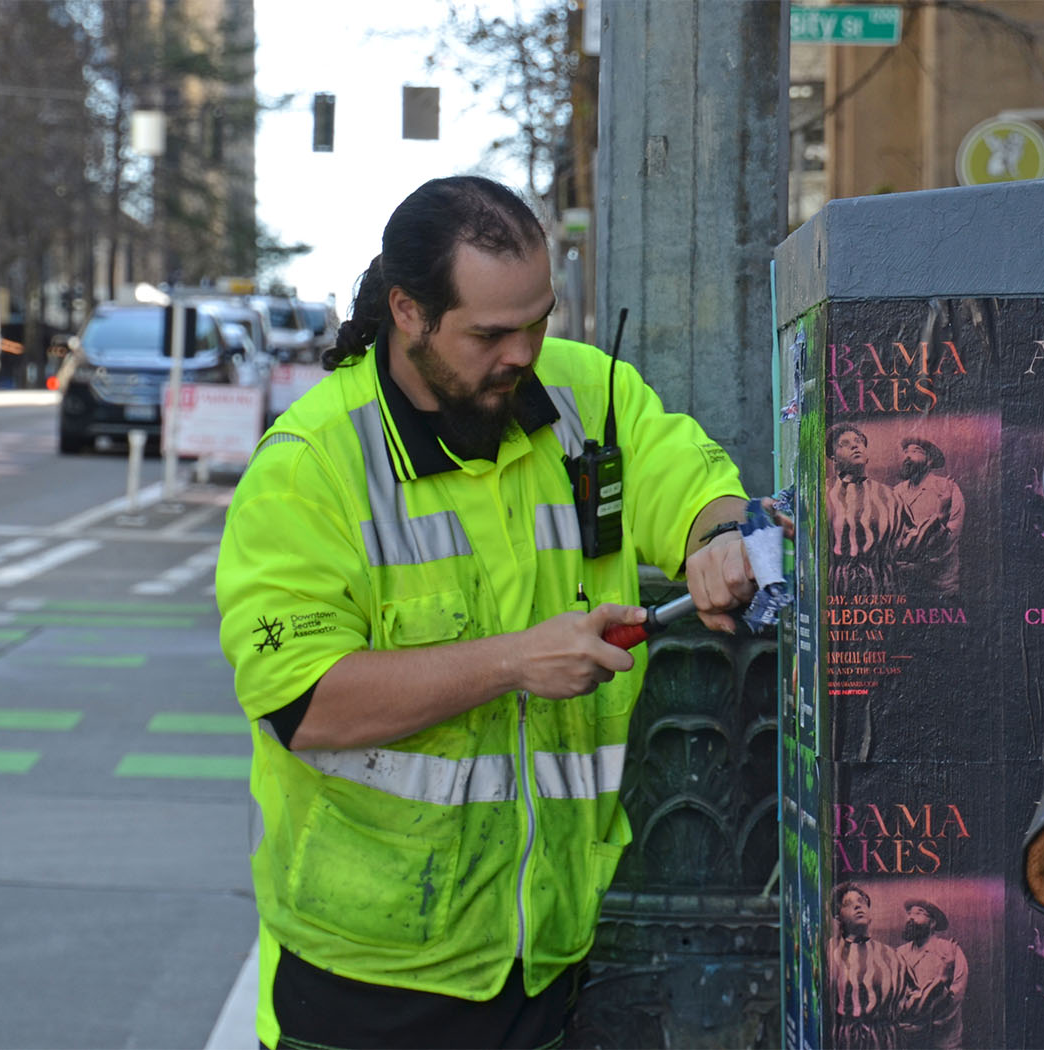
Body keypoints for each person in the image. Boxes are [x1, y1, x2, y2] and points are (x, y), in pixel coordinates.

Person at [215, 175, 772, 1050]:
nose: (523, 353)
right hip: (367, 978)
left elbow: (695, 484)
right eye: (491, 333)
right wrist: (514, 661)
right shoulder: (309, 466)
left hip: (544, 958)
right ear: (407, 311)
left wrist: (722, 538)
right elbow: (304, 703)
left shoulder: (586, 394)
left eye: (539, 320)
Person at [827, 882, 920, 1050]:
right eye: (848, 904)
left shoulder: (892, 956)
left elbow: (915, 997)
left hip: (888, 1040)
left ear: (870, 914)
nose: (857, 906)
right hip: (847, 1040)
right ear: (838, 916)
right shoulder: (829, 952)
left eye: (861, 902)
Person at [825, 423, 910, 594]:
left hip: (882, 584)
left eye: (858, 441)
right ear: (834, 457)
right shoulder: (821, 494)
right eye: (844, 444)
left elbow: (907, 542)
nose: (855, 445)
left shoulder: (889, 495)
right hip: (837, 586)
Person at [892, 437, 965, 600]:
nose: (908, 456)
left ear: (930, 460)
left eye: (916, 451)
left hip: (941, 585)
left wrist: (921, 565)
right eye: (906, 452)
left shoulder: (948, 488)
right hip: (905, 586)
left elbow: (952, 534)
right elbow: (893, 534)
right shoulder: (896, 492)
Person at [895, 899, 968, 1049]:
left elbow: (956, 994)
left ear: (933, 923)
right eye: (909, 914)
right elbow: (895, 994)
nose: (911, 917)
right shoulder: (899, 953)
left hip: (943, 1041)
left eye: (919, 913)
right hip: (907, 1040)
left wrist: (926, 1021)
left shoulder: (950, 950)